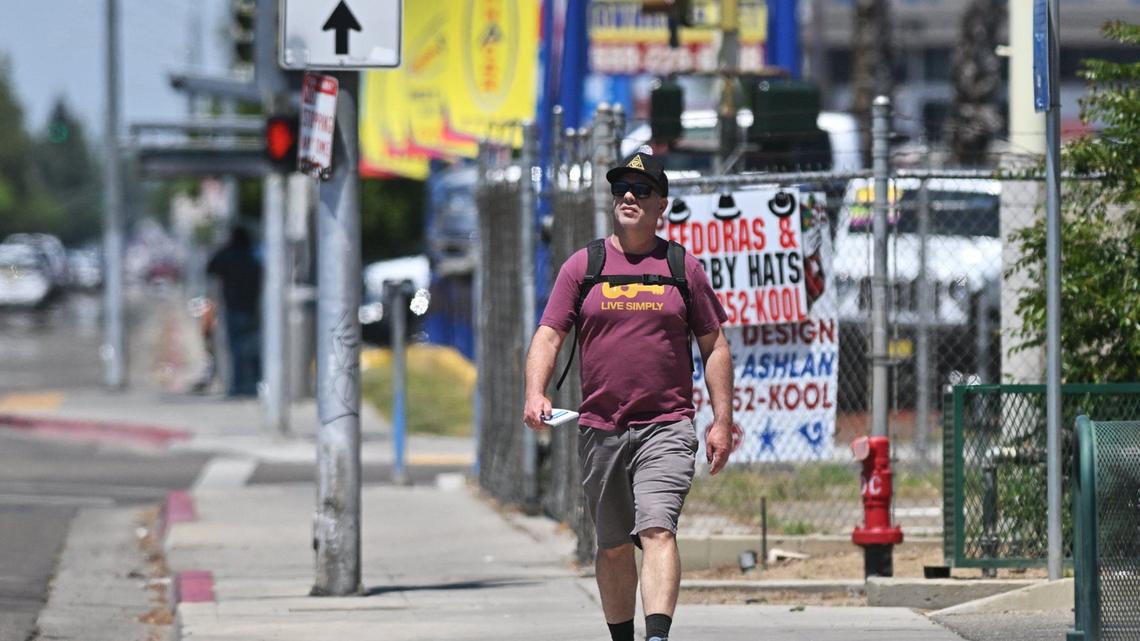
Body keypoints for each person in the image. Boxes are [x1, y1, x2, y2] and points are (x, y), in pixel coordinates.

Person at [523, 149, 735, 641]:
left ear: (662, 204)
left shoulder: (683, 267)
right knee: (614, 543)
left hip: (666, 424)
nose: (629, 197)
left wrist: (722, 420)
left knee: (658, 529)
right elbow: (549, 334)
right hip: (601, 429)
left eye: (641, 190)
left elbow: (714, 345)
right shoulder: (584, 266)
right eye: (621, 189)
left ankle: (657, 636)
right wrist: (535, 392)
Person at [206, 225, 262, 397]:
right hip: (252, 309)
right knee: (251, 349)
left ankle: (238, 386)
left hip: (233, 309)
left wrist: (225, 247)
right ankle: (253, 385)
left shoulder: (228, 256)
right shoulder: (252, 257)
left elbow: (211, 267)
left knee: (236, 349)